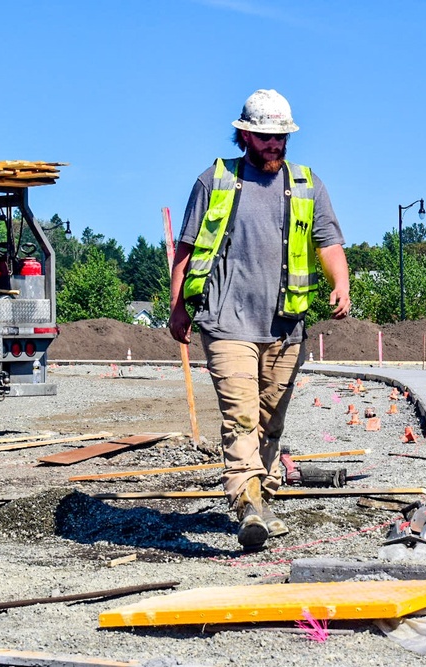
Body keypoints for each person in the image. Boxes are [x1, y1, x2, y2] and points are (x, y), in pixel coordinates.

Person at [169, 88, 350, 549]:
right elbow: (185, 251)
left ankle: (263, 500)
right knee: (241, 416)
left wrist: (340, 282)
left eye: (281, 138)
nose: (275, 145)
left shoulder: (307, 184)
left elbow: (329, 243)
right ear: (245, 135)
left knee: (270, 420)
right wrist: (177, 308)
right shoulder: (216, 181)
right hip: (225, 321)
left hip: (285, 326)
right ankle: (247, 501)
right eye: (266, 137)